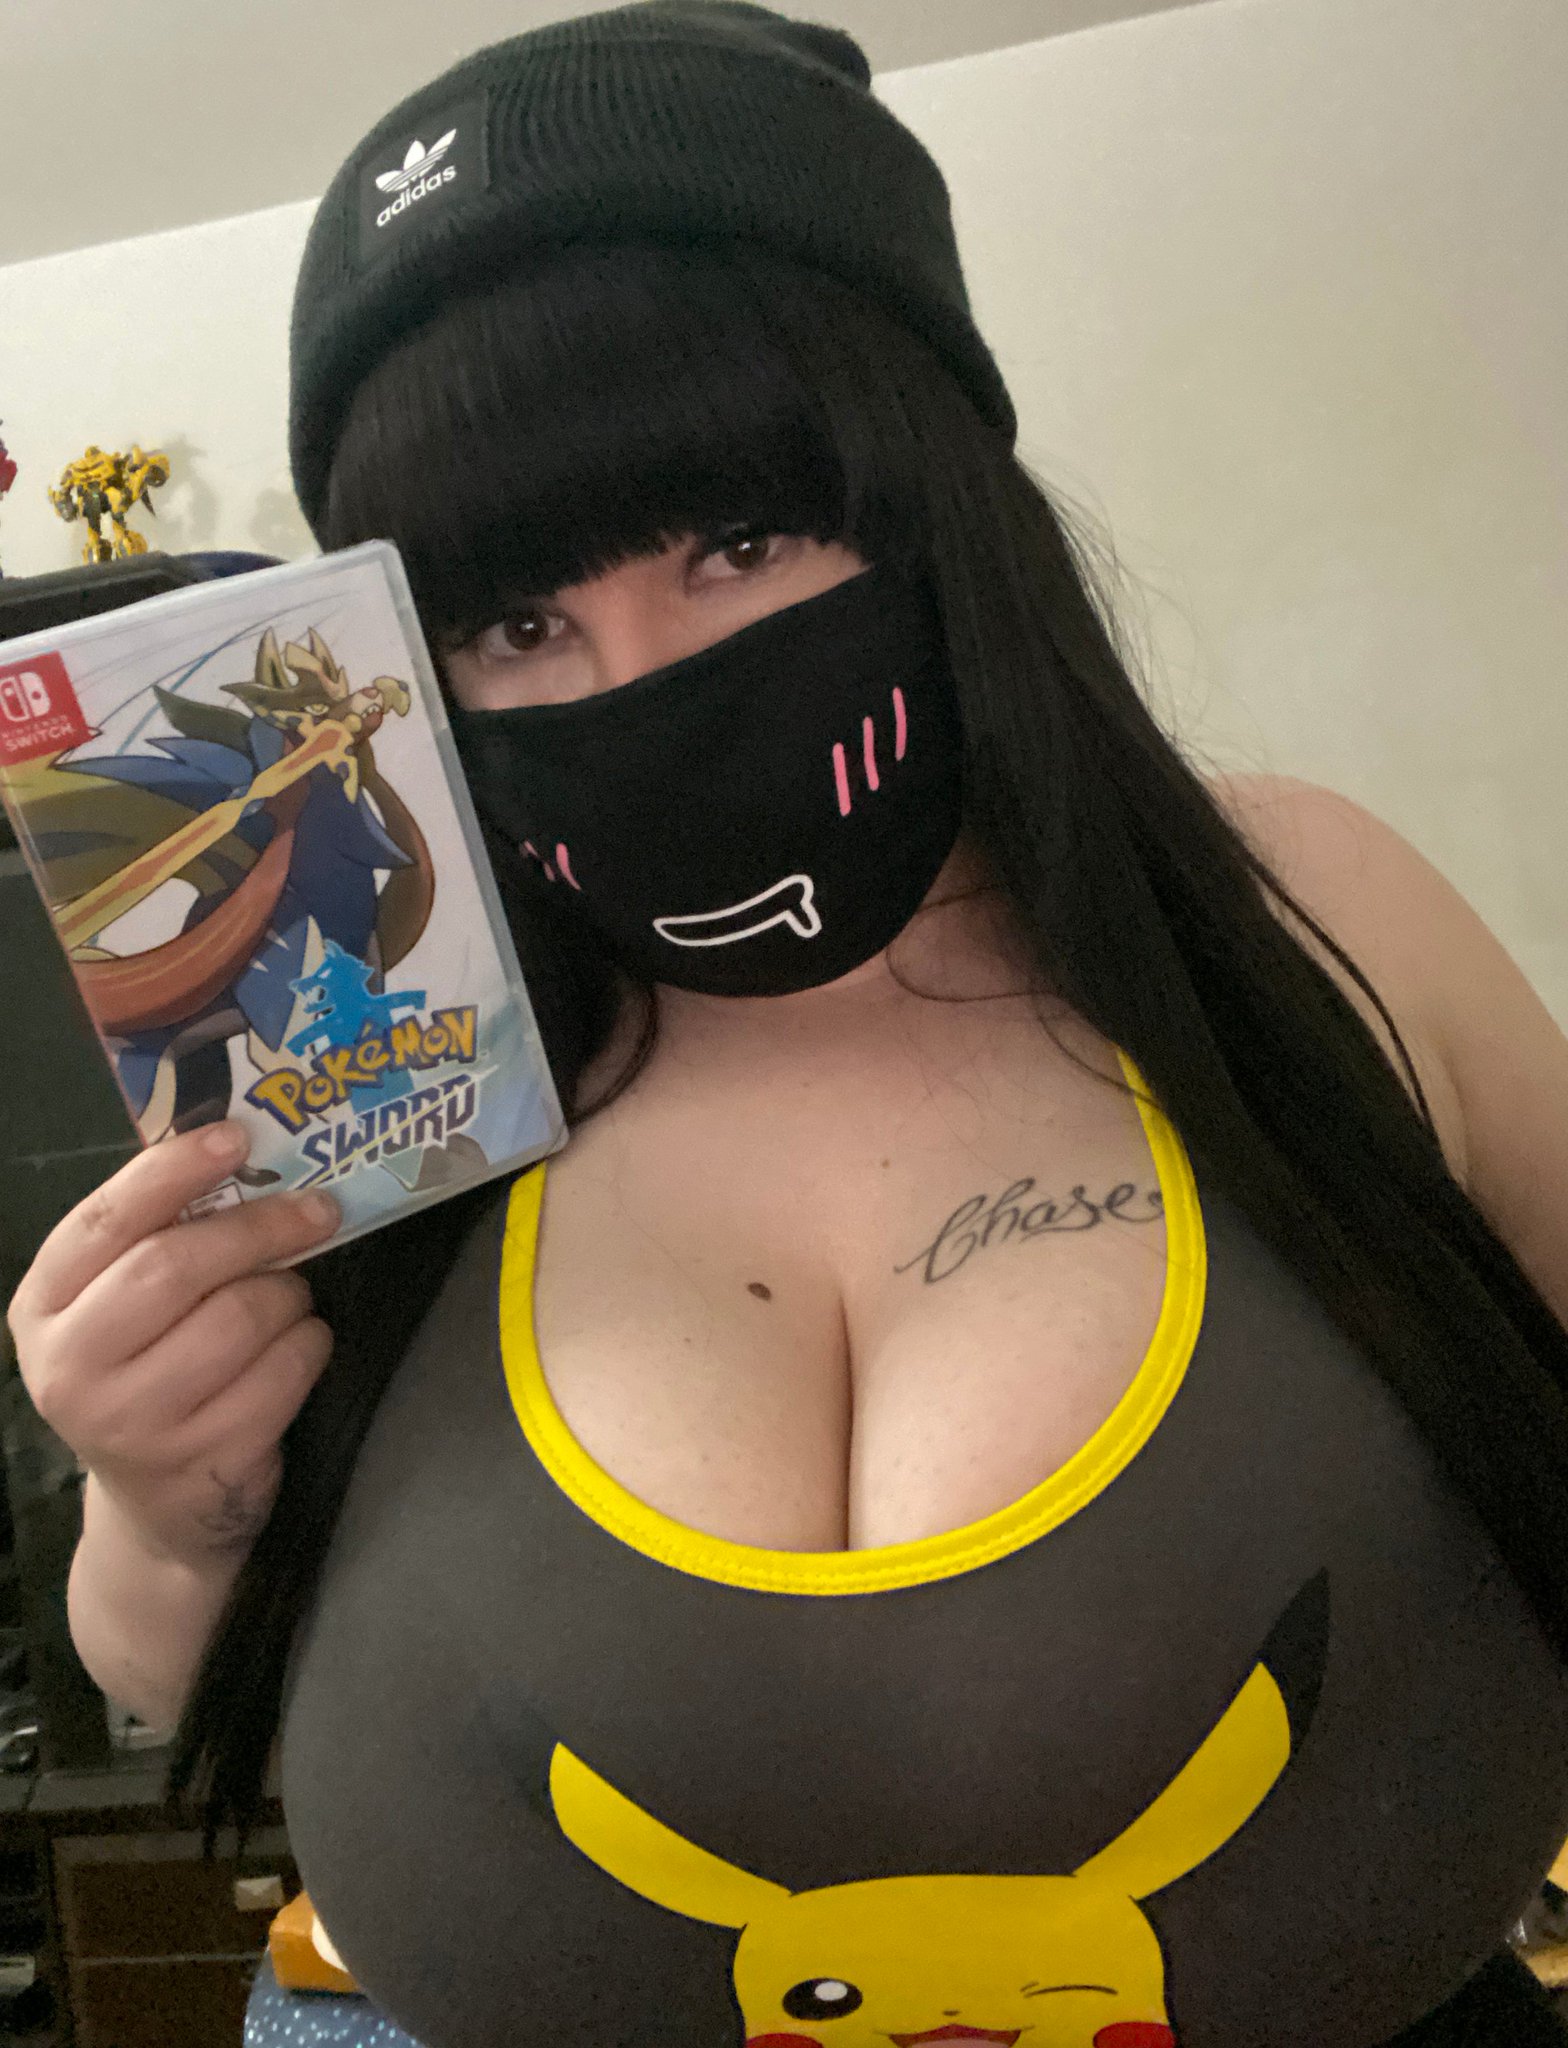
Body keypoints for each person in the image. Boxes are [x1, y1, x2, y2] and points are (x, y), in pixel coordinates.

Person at [12, 5, 1568, 2044]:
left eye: (741, 544)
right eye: (517, 623)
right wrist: (159, 1490)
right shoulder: (384, 1066)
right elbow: (178, 1670)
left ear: (932, 496)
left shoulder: (1297, 910)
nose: (635, 680)